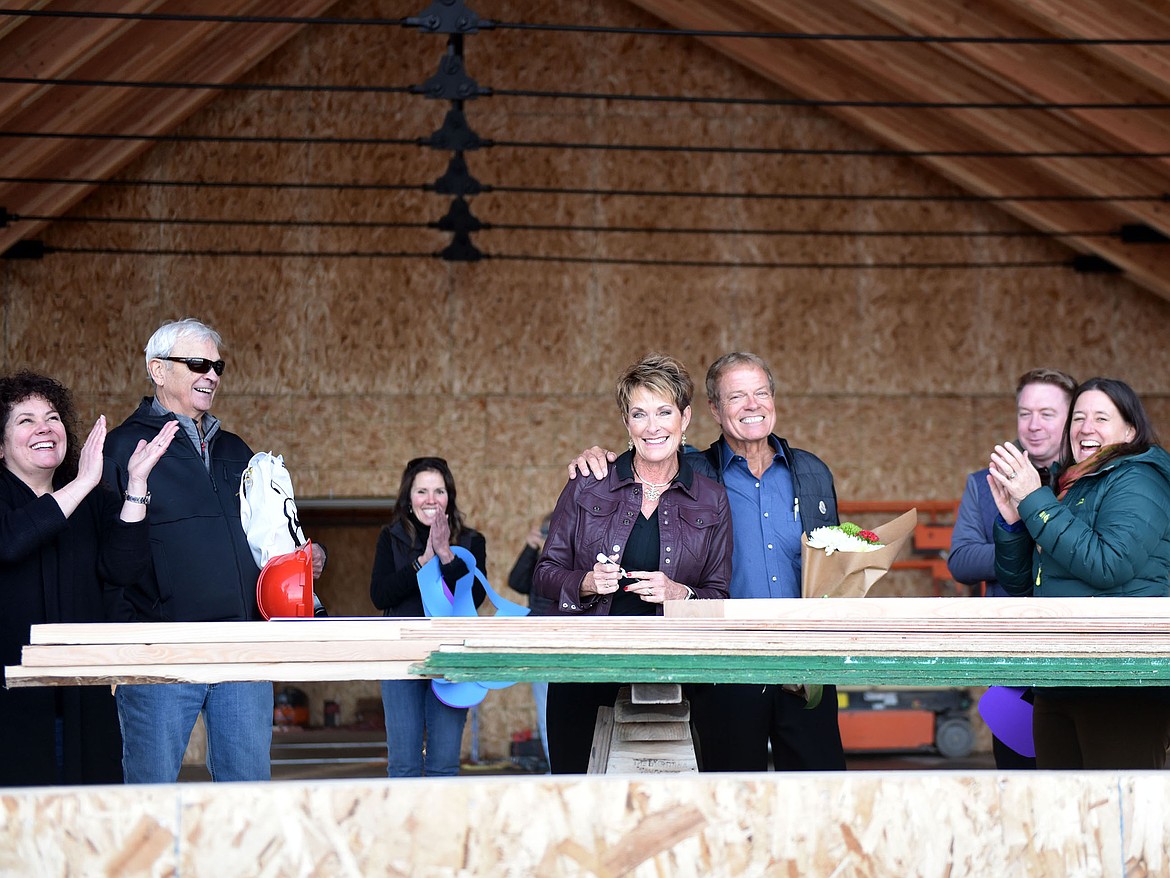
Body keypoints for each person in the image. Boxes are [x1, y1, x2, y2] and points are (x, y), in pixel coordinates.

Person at [569, 351, 846, 772]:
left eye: (761, 393)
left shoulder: (811, 472)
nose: (752, 405)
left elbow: (834, 564)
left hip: (803, 663)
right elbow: (649, 452)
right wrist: (599, 458)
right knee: (731, 794)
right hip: (728, 664)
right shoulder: (695, 474)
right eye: (737, 397)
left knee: (820, 793)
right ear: (714, 410)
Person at [102, 317, 326, 784]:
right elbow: (108, 560)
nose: (212, 375)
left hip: (243, 649)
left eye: (217, 366)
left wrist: (300, 557)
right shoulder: (124, 447)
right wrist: (125, 648)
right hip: (160, 650)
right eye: (198, 363)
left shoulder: (236, 450)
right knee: (150, 793)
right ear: (158, 370)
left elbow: (266, 537)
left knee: (246, 795)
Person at [536, 353, 732, 774]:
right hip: (585, 667)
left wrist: (680, 594)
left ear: (686, 418)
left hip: (675, 673)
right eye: (639, 414)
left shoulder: (711, 499)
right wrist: (586, 582)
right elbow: (545, 574)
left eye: (664, 412)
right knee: (577, 792)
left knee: (669, 800)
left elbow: (719, 594)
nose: (653, 426)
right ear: (627, 423)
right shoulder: (588, 483)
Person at [0, 371, 176, 786]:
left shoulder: (91, 499)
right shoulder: (73, 490)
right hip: (12, 706)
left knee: (85, 824)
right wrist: (82, 482)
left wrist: (135, 485)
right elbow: (10, 542)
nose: (44, 427)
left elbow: (124, 569)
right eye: (25, 420)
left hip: (81, 701)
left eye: (53, 417)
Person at [990, 377, 1170, 769]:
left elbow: (1109, 564)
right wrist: (1012, 525)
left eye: (1101, 418)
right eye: (1079, 418)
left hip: (1120, 678)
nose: (1085, 428)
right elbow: (1021, 584)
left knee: (1119, 817)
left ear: (1131, 430)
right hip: (1059, 674)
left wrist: (1034, 500)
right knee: (1060, 818)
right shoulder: (1070, 486)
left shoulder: (1140, 479)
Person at [948, 367, 1076, 769]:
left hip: (1074, 652)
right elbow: (961, 560)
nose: (1033, 425)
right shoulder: (984, 483)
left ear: (1071, 418)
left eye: (1047, 413)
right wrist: (1025, 553)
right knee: (1017, 779)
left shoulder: (1087, 483)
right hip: (1012, 660)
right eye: (1025, 413)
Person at [370, 456, 486, 777]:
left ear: (450, 497)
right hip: (400, 658)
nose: (431, 500)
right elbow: (380, 595)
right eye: (422, 491)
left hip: (450, 659)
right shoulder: (391, 538)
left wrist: (446, 554)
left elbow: (473, 597)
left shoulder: (471, 541)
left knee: (444, 764)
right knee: (404, 763)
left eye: (439, 491)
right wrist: (423, 560)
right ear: (409, 499)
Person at [507, 513, 553, 767]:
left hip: (569, 646)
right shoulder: (538, 565)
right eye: (545, 534)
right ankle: (554, 769)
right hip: (540, 647)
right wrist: (530, 546)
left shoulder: (573, 562)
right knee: (545, 714)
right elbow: (516, 582)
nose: (548, 540)